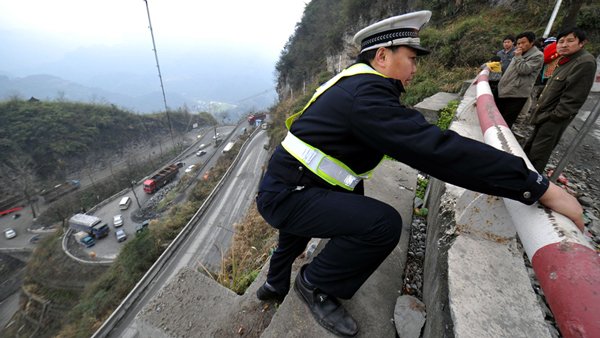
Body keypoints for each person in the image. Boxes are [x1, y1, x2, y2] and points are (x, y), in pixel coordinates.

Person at [255, 11, 584, 337]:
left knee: (321, 213)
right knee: (382, 224)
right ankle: (314, 284)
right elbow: (436, 149)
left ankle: (273, 283)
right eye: (411, 58)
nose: (415, 68)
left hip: (294, 180)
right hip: (291, 190)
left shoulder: (354, 81)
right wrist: (536, 186)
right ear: (382, 56)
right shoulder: (366, 96)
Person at [524, 27, 597, 174]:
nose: (564, 45)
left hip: (553, 118)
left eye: (570, 41)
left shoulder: (585, 62)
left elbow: (574, 98)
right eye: (561, 41)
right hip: (545, 114)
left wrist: (555, 117)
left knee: (538, 154)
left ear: (582, 43)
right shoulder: (566, 60)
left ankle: (528, 188)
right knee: (530, 148)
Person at [495, 31, 544, 128]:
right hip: (505, 90)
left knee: (504, 123)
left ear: (532, 42)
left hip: (516, 94)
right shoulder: (519, 53)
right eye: (518, 43)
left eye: (523, 43)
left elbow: (524, 69)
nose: (520, 45)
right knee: (496, 117)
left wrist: (518, 57)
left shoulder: (537, 55)